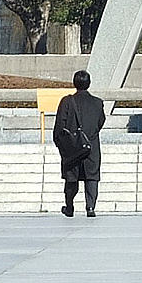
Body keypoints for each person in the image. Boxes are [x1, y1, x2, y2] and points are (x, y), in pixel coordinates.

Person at [52, 70, 107, 218]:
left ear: (74, 83)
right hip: (91, 146)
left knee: (71, 178)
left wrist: (61, 145)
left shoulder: (67, 102)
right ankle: (90, 207)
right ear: (89, 83)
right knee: (92, 177)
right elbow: (100, 122)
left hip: (72, 148)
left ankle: (69, 206)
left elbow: (59, 127)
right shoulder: (97, 103)